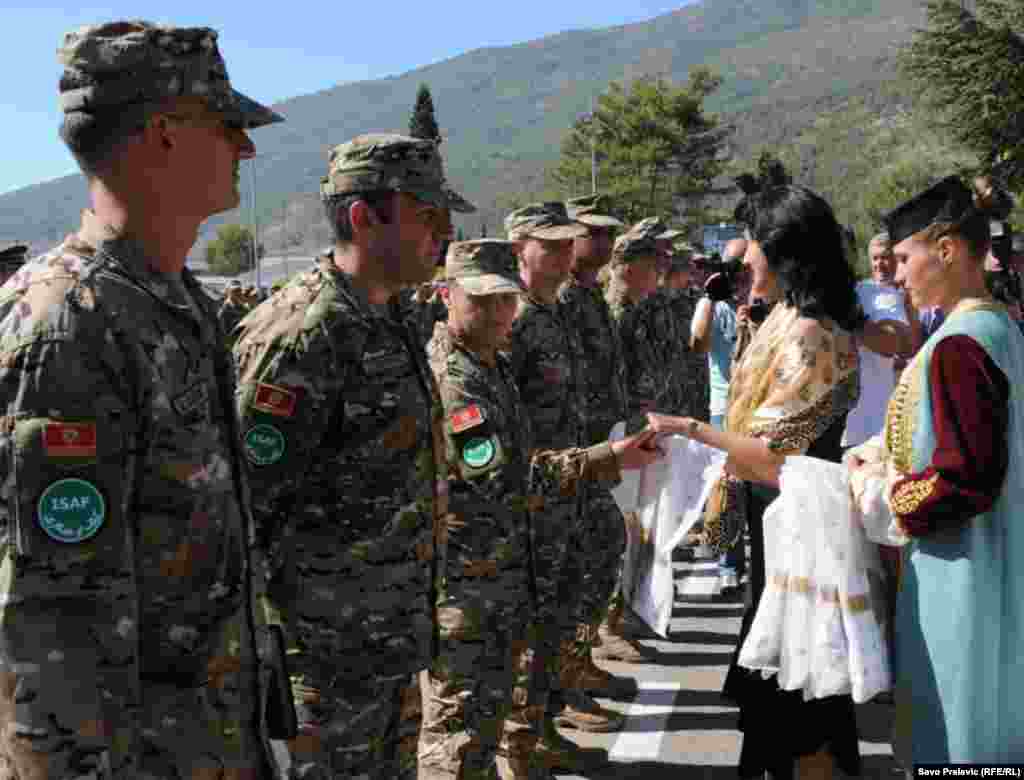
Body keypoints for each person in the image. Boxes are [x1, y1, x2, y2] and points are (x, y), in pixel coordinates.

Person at [0, 20, 285, 779]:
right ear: (164, 132)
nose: (246, 149)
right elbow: (51, 629)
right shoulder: (72, 323)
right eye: (228, 127)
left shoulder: (171, 301)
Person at [232, 133, 474, 779]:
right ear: (366, 217)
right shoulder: (304, 335)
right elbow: (241, 514)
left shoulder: (387, 315)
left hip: (386, 646)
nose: (444, 235)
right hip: (321, 666)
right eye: (429, 216)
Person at [420, 239, 661, 780]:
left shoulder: (489, 364)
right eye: (481, 300)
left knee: (488, 719)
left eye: (506, 299)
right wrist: (602, 459)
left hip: (504, 564)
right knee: (458, 734)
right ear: (446, 295)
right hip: (467, 579)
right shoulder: (456, 380)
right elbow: (499, 479)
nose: (499, 311)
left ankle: (532, 750)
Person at [647, 185, 864, 780]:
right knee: (778, 704)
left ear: (786, 252)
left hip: (802, 536)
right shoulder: (784, 319)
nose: (743, 260)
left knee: (806, 702)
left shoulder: (811, 333)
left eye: (756, 248)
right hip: (775, 528)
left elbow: (771, 456)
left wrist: (687, 428)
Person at [849, 175, 1024, 763]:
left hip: (964, 570)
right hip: (997, 556)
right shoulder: (998, 327)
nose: (896, 275)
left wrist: (878, 489)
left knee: (964, 740)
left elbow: (963, 476)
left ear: (945, 250)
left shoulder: (958, 343)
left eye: (904, 257)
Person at [503, 203, 617, 773]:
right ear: (519, 246)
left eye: (566, 242)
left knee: (561, 610)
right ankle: (518, 743)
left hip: (569, 485)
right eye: (548, 244)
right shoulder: (514, 317)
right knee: (531, 622)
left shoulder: (558, 312)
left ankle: (543, 725)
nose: (562, 252)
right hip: (531, 497)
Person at [557, 195, 639, 690]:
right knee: (580, 563)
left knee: (601, 550)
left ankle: (578, 661)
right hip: (570, 453)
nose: (605, 244)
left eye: (611, 235)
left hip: (598, 444)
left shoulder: (590, 293)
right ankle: (568, 672)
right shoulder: (566, 296)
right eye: (596, 234)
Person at [690, 237, 752, 590]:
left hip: (760, 410)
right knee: (727, 488)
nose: (738, 275)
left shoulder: (766, 299)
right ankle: (729, 564)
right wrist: (711, 300)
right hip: (724, 409)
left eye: (744, 266)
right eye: (731, 267)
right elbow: (697, 344)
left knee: (760, 489)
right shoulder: (712, 303)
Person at [841, 232, 915, 450]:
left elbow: (898, 345)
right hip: (853, 415)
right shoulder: (860, 289)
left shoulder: (893, 296)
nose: (880, 264)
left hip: (875, 417)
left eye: (885, 257)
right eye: (874, 258)